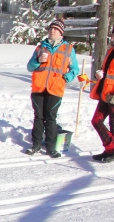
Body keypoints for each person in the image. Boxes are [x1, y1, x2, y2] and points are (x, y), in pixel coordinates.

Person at [24, 19, 79, 158]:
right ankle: (35, 145)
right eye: (50, 29)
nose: (52, 31)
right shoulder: (40, 47)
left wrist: (66, 77)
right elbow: (30, 67)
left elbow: (75, 69)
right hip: (38, 88)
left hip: (55, 88)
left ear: (61, 32)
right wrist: (38, 61)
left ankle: (51, 147)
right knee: (38, 117)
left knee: (50, 118)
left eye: (55, 29)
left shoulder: (68, 49)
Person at [89, 23, 114, 163]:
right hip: (106, 93)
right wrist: (99, 74)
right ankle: (113, 149)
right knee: (96, 120)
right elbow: (107, 71)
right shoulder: (112, 50)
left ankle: (112, 150)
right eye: (113, 34)